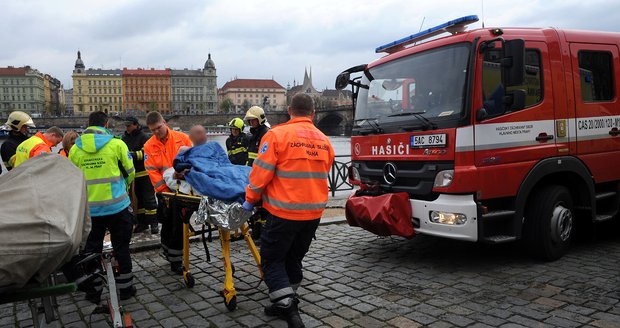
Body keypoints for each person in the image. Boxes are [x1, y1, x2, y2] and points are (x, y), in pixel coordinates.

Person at [243, 94, 335, 328]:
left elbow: (260, 173)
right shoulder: (324, 139)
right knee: (293, 258)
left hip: (284, 212)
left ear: (289, 110)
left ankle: (286, 306)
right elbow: (325, 169)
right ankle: (287, 297)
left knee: (272, 260)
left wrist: (249, 201)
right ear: (313, 113)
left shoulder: (277, 135)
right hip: (313, 214)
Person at [68, 111, 136, 303]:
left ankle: (94, 291)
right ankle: (126, 289)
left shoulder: (75, 149)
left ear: (88, 125)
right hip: (118, 207)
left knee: (91, 251)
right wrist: (122, 187)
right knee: (121, 248)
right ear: (106, 124)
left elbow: (73, 179)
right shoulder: (116, 144)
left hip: (90, 211)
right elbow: (130, 172)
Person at [143, 111, 192, 274]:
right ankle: (167, 249)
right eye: (153, 130)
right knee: (167, 221)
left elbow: (194, 161)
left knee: (178, 224)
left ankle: (176, 260)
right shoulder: (149, 145)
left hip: (183, 190)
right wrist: (164, 192)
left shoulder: (182, 138)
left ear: (164, 122)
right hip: (165, 193)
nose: (157, 132)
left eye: (158, 128)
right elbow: (152, 171)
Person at [122, 116, 159, 235]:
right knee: (139, 202)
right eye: (126, 126)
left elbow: (147, 152)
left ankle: (154, 224)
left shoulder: (143, 137)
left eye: (129, 126)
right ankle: (142, 223)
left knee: (149, 200)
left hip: (145, 174)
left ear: (135, 125)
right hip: (133, 175)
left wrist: (132, 155)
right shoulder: (124, 138)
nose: (127, 128)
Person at [244, 106, 270, 241]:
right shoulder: (254, 134)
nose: (252, 123)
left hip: (261, 176)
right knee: (256, 208)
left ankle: (262, 235)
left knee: (262, 209)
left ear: (260, 119)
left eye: (254, 120)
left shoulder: (265, 133)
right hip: (253, 173)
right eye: (250, 121)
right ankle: (256, 233)